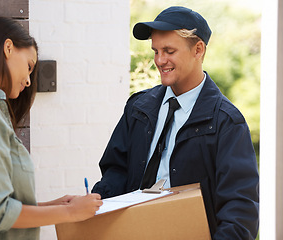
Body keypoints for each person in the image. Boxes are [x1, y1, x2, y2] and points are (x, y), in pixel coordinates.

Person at [92, 6, 259, 239]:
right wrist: (95, 202)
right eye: (156, 51)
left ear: (198, 50)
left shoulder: (227, 122)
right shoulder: (138, 108)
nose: (160, 60)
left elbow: (240, 209)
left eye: (169, 51)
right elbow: (116, 170)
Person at [0, 17, 102, 240]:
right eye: (29, 66)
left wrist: (52, 205)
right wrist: (70, 212)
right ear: (8, 48)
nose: (29, 81)